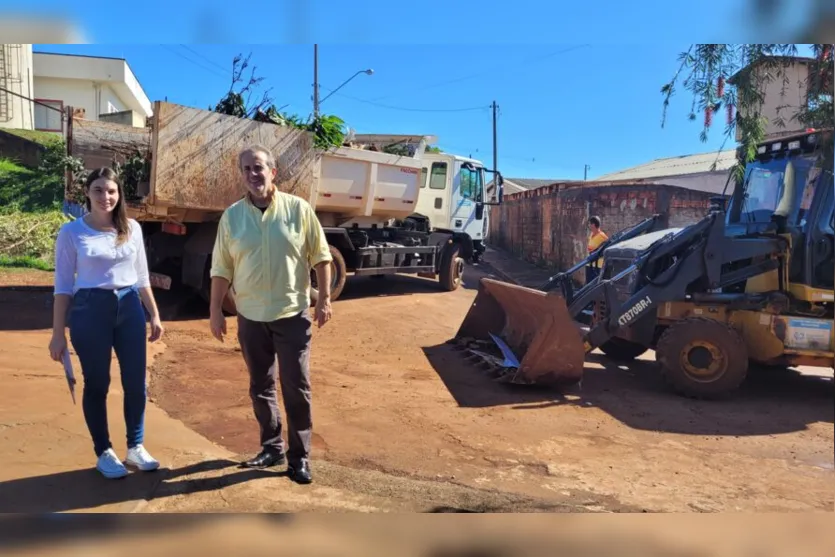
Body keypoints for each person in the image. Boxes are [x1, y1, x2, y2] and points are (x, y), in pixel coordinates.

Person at [209, 144, 334, 485]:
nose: (254, 174)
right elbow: (221, 267)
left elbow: (321, 257)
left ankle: (299, 457)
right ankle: (271, 446)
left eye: (259, 167)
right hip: (250, 317)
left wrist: (323, 300)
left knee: (297, 387)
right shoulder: (232, 217)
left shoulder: (298, 210)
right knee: (260, 386)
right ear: (242, 175)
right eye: (247, 169)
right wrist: (215, 310)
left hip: (292, 314)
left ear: (273, 171)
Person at [49, 167, 164, 480]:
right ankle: (104, 451)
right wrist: (57, 334)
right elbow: (62, 286)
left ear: (119, 194)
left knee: (135, 382)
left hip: (129, 308)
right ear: (87, 192)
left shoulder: (133, 229)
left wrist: (153, 312)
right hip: (90, 310)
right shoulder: (72, 233)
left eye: (111, 191)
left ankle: (135, 446)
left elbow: (141, 275)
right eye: (98, 190)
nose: (106, 197)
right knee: (98, 383)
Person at [586, 216, 609, 284]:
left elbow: (607, 247)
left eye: (589, 224)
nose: (589, 225)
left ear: (593, 225)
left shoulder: (602, 236)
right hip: (589, 264)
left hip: (598, 266)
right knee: (588, 286)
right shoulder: (591, 234)